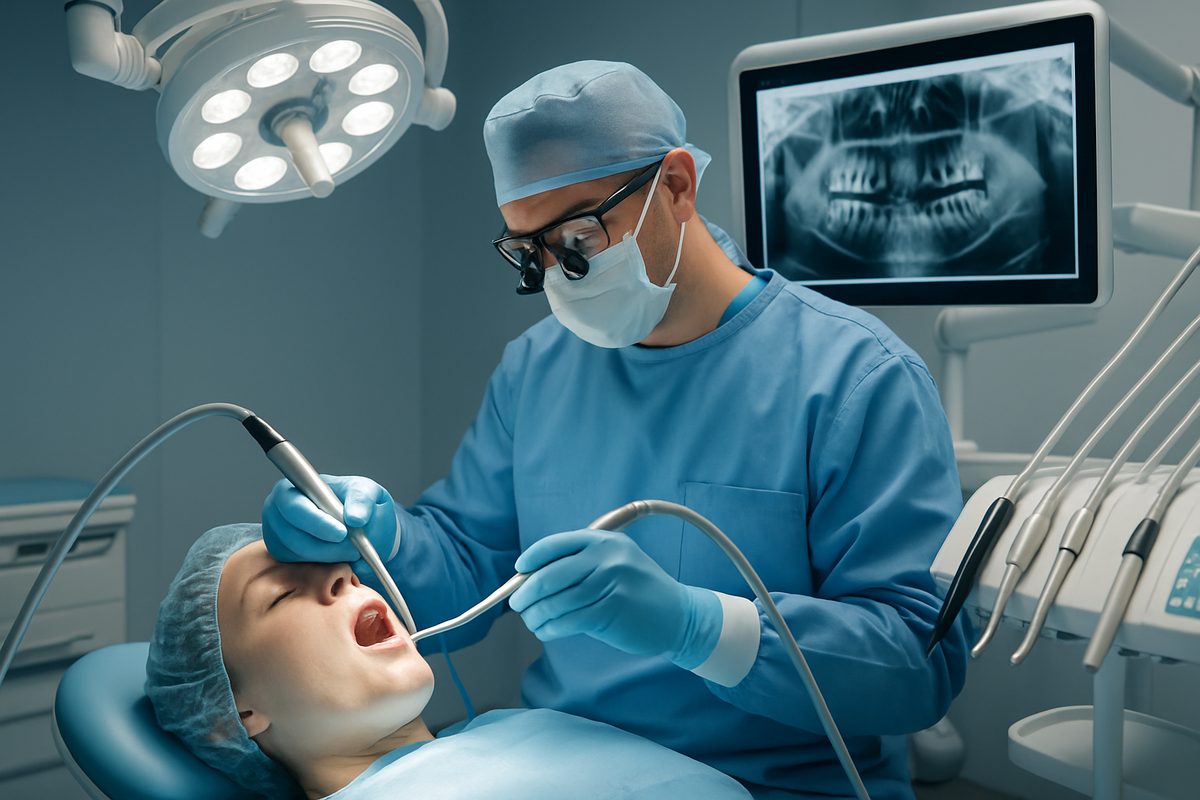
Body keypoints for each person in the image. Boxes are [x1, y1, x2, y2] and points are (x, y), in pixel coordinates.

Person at [262, 61, 970, 799]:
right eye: (532, 254)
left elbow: (919, 668)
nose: (561, 276)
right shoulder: (536, 369)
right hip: (569, 766)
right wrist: (387, 540)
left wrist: (703, 627)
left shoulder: (855, 379)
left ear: (676, 186)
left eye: (578, 237)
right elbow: (470, 569)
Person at [145, 523, 755, 799]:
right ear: (236, 714)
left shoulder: (523, 726)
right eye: (280, 594)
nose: (339, 578)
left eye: (345, 570)